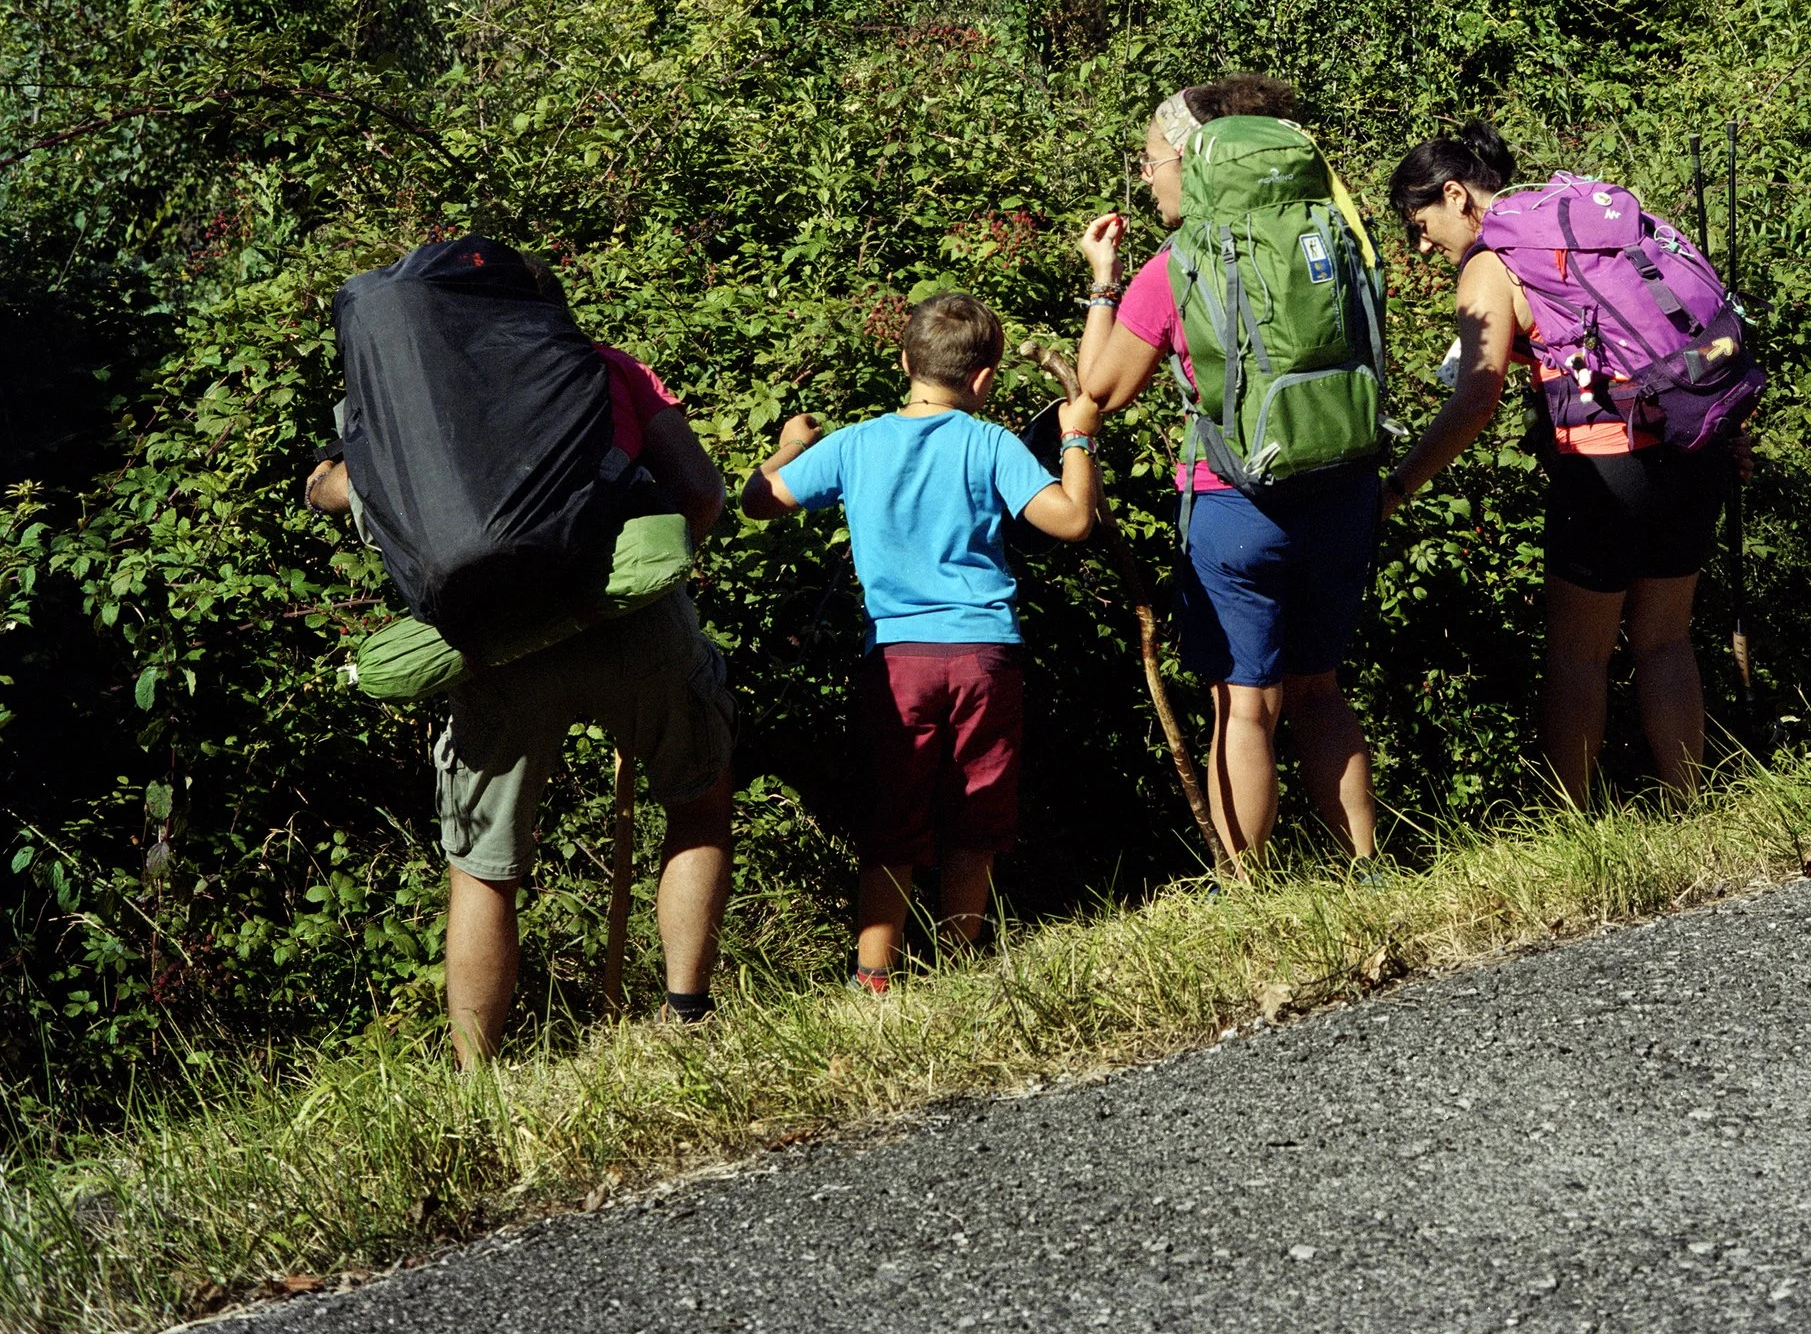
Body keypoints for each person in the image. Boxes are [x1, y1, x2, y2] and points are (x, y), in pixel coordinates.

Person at [307, 260, 736, 1067]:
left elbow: (326, 491)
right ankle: (686, 1020)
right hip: (633, 624)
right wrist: (631, 573)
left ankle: (477, 1085)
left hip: (491, 647)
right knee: (698, 801)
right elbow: (702, 496)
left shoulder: (406, 417)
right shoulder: (604, 368)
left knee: (483, 868)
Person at [741, 291, 1098, 991]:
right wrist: (1077, 435)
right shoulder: (991, 443)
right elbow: (1072, 521)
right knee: (976, 814)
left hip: (896, 660)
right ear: (986, 379)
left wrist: (793, 443)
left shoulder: (856, 442)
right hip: (982, 653)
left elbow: (759, 500)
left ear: (904, 361)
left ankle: (873, 978)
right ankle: (962, 968)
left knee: (891, 818)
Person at [1380, 122, 1738, 807]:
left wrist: (1397, 487)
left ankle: (1567, 824)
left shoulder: (1494, 262)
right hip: (1693, 444)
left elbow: (1474, 403)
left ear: (1456, 195)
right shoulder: (1589, 220)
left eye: (1421, 224)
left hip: (1606, 466)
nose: (1424, 246)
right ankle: (1689, 805)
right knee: (1666, 640)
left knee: (1579, 655)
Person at [1073, 76, 1383, 864]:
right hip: (1346, 491)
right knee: (1321, 690)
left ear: (1189, 159)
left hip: (1237, 505)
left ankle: (1246, 888)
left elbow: (1100, 389)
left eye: (1150, 162)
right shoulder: (1334, 235)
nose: (1147, 180)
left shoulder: (1180, 264)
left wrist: (1102, 283)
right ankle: (1365, 866)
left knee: (1244, 707)